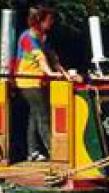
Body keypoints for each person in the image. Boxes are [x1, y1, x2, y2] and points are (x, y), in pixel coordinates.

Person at [15, 6, 66, 161]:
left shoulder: (42, 37)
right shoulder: (27, 37)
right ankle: (55, 152)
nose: (52, 22)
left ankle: (32, 152)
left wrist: (65, 74)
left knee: (34, 115)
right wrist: (50, 73)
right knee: (43, 116)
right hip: (27, 81)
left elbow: (53, 58)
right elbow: (40, 59)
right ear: (40, 21)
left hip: (37, 82)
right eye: (49, 20)